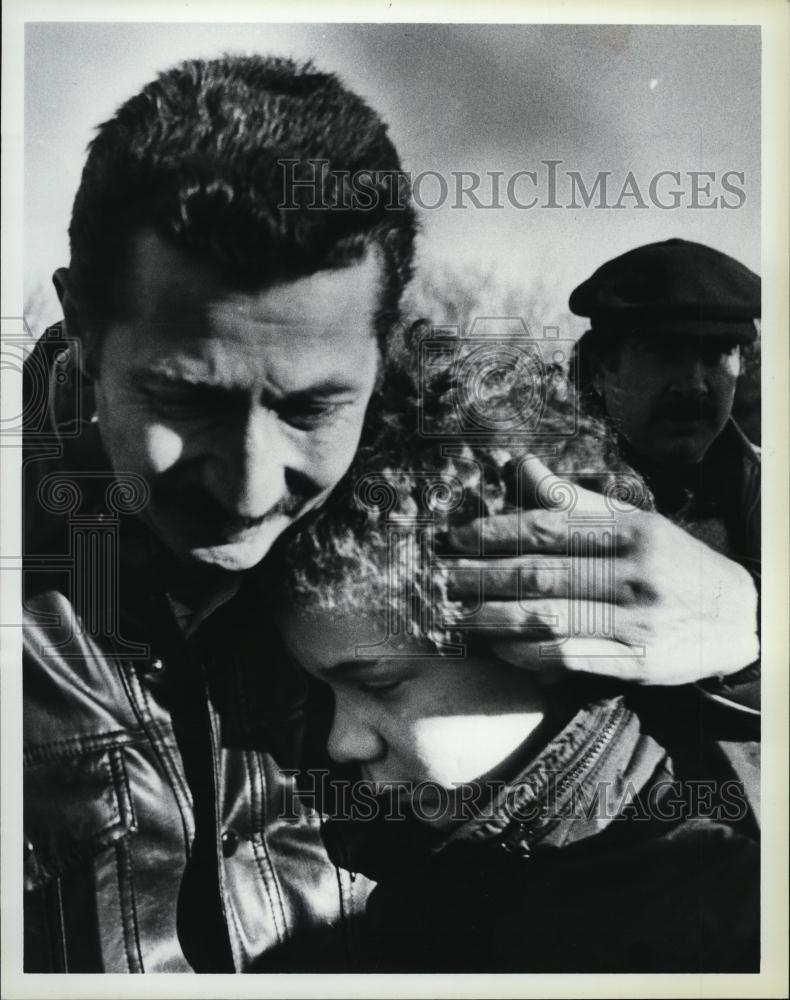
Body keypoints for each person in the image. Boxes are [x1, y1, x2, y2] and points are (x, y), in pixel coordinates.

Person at [22, 56, 761, 972]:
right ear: (84, 331)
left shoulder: (417, 538)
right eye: (187, 399)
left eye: (311, 407)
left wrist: (753, 640)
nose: (252, 492)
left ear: (380, 353)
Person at [265, 341, 760, 973]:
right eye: (323, 694)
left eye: (382, 684)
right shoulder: (432, 880)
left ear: (554, 630)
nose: (340, 743)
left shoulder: (724, 921)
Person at [569, 238, 761, 710]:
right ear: (599, 368)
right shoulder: (538, 495)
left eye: (717, 353)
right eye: (664, 352)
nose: (693, 384)